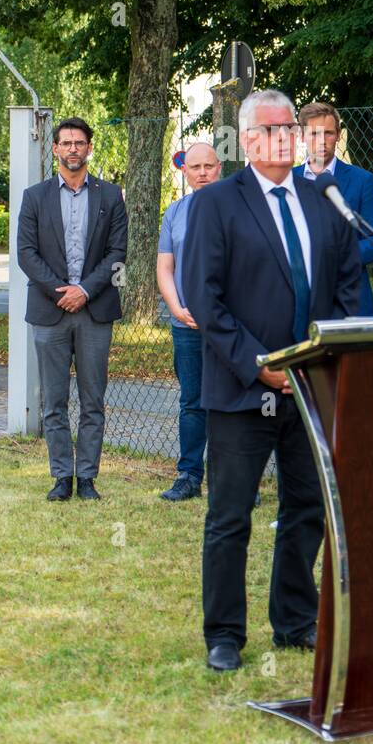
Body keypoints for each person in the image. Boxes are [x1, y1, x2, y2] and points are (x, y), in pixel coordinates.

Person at [182, 89, 361, 671]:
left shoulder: (322, 199)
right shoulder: (217, 204)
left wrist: (330, 355)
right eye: (277, 129)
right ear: (250, 140)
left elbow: (346, 288)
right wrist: (261, 365)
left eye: (293, 128)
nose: (289, 137)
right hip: (243, 389)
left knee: (308, 505)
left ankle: (295, 619)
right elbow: (204, 300)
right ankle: (225, 634)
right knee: (231, 515)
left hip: (314, 386)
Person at [16, 117, 128, 502]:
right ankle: (62, 477)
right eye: (66, 143)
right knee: (54, 400)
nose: (73, 149)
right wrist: (60, 291)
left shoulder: (111, 196)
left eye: (80, 142)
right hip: (50, 312)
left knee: (93, 400)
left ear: (89, 148)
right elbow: (26, 254)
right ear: (55, 150)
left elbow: (118, 254)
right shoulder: (35, 197)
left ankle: (88, 478)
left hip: (95, 310)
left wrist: (84, 290)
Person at [156, 141, 222, 500]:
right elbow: (165, 268)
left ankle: (233, 479)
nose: (201, 173)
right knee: (192, 401)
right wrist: (176, 308)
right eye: (194, 167)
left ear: (219, 168)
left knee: (233, 402)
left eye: (208, 166)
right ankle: (189, 475)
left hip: (230, 327)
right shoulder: (174, 213)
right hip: (187, 325)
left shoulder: (237, 209)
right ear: (185, 171)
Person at [294, 100, 373, 314]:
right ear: (301, 136)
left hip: (350, 299)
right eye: (314, 134)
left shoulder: (362, 181)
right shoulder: (287, 181)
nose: (321, 141)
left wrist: (335, 258)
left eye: (328, 133)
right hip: (300, 301)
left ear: (338, 135)